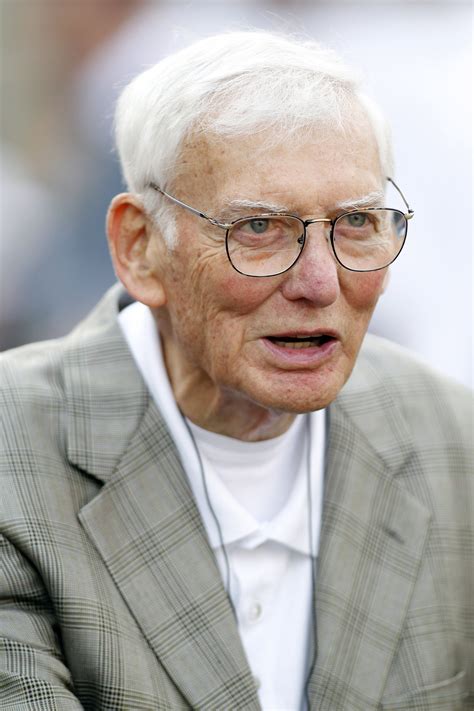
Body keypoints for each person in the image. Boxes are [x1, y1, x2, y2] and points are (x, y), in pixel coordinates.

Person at [0, 31, 471, 711]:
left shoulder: (452, 438)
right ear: (140, 247)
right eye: (259, 228)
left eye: (358, 221)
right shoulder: (15, 453)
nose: (319, 281)